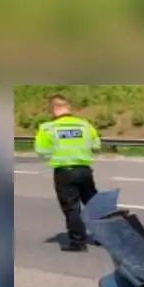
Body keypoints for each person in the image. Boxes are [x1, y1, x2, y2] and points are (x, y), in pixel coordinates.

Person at [34, 94, 101, 252]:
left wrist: (56, 154)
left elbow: (41, 151)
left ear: (53, 109)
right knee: (93, 204)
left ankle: (78, 243)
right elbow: (96, 145)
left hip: (64, 171)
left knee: (71, 208)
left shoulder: (48, 128)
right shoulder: (84, 125)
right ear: (68, 108)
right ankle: (104, 237)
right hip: (84, 170)